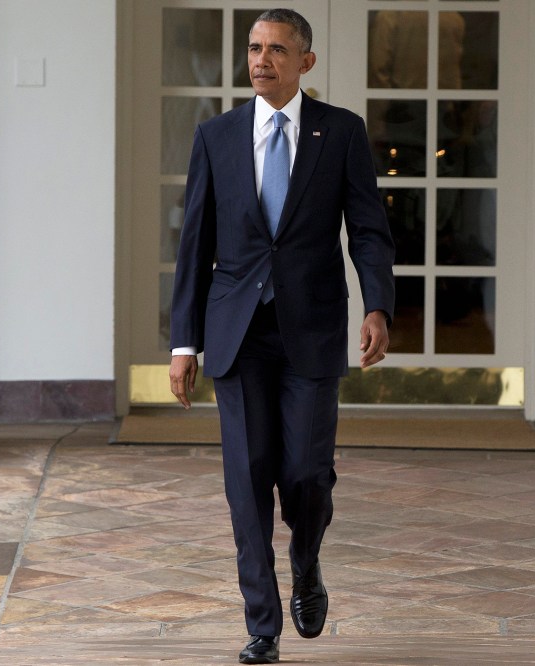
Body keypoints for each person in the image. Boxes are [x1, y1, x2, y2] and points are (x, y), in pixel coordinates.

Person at [168, 9, 395, 665]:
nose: (261, 60)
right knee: (247, 477)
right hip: (236, 332)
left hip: (313, 331)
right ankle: (261, 625)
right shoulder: (216, 135)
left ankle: (306, 557)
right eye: (254, 48)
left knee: (305, 473)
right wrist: (184, 342)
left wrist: (377, 305)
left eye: (276, 50)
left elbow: (370, 231)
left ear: (306, 63)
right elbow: (194, 246)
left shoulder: (341, 134)